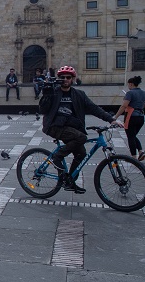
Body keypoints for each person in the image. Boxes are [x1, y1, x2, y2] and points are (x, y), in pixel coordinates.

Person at [39, 65, 117, 193]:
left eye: (68, 77)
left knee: (81, 154)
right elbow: (43, 110)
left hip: (71, 127)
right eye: (62, 77)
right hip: (54, 126)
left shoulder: (79, 94)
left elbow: (93, 108)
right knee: (81, 138)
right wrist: (47, 94)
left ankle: (70, 181)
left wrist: (111, 119)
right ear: (58, 79)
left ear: (73, 79)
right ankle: (57, 157)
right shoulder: (53, 92)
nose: (65, 79)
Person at [113, 75, 145, 161]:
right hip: (141, 117)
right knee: (133, 135)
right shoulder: (143, 92)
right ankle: (141, 151)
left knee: (130, 136)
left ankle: (134, 157)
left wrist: (115, 117)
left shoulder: (130, 93)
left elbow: (124, 106)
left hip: (131, 117)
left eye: (128, 85)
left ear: (131, 84)